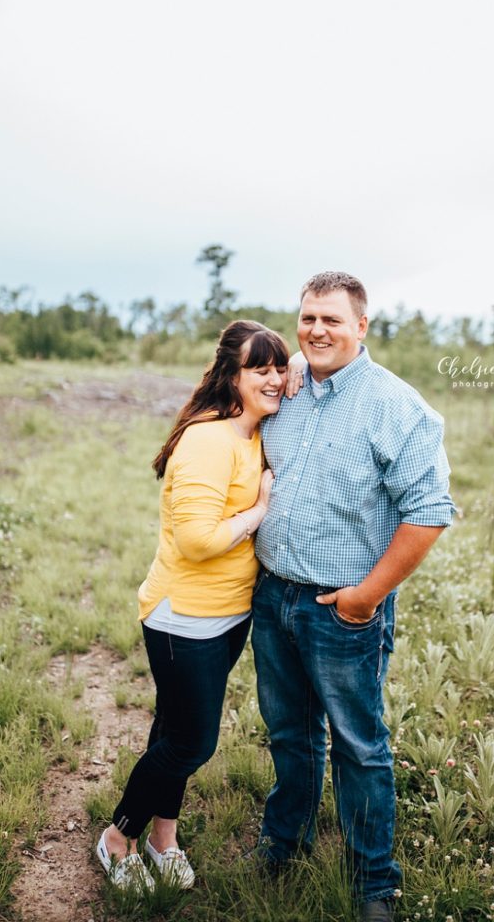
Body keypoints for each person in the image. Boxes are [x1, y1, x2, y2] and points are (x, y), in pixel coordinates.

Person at [251, 272, 456, 922]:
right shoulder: (284, 387)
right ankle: (286, 842)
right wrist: (279, 366)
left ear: (361, 326)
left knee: (356, 742)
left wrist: (365, 598)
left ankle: (373, 880)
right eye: (307, 318)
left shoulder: (395, 406)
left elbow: (427, 512)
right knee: (289, 734)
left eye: (331, 320)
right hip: (273, 598)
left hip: (343, 609)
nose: (316, 330)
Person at [96, 320, 289, 891]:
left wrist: (292, 367)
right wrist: (260, 509)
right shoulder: (210, 440)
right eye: (262, 368)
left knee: (172, 726)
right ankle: (117, 837)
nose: (276, 378)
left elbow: (291, 374)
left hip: (227, 615)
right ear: (232, 376)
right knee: (192, 740)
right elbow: (198, 541)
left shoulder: (252, 430)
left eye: (281, 367)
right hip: (185, 618)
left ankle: (164, 839)